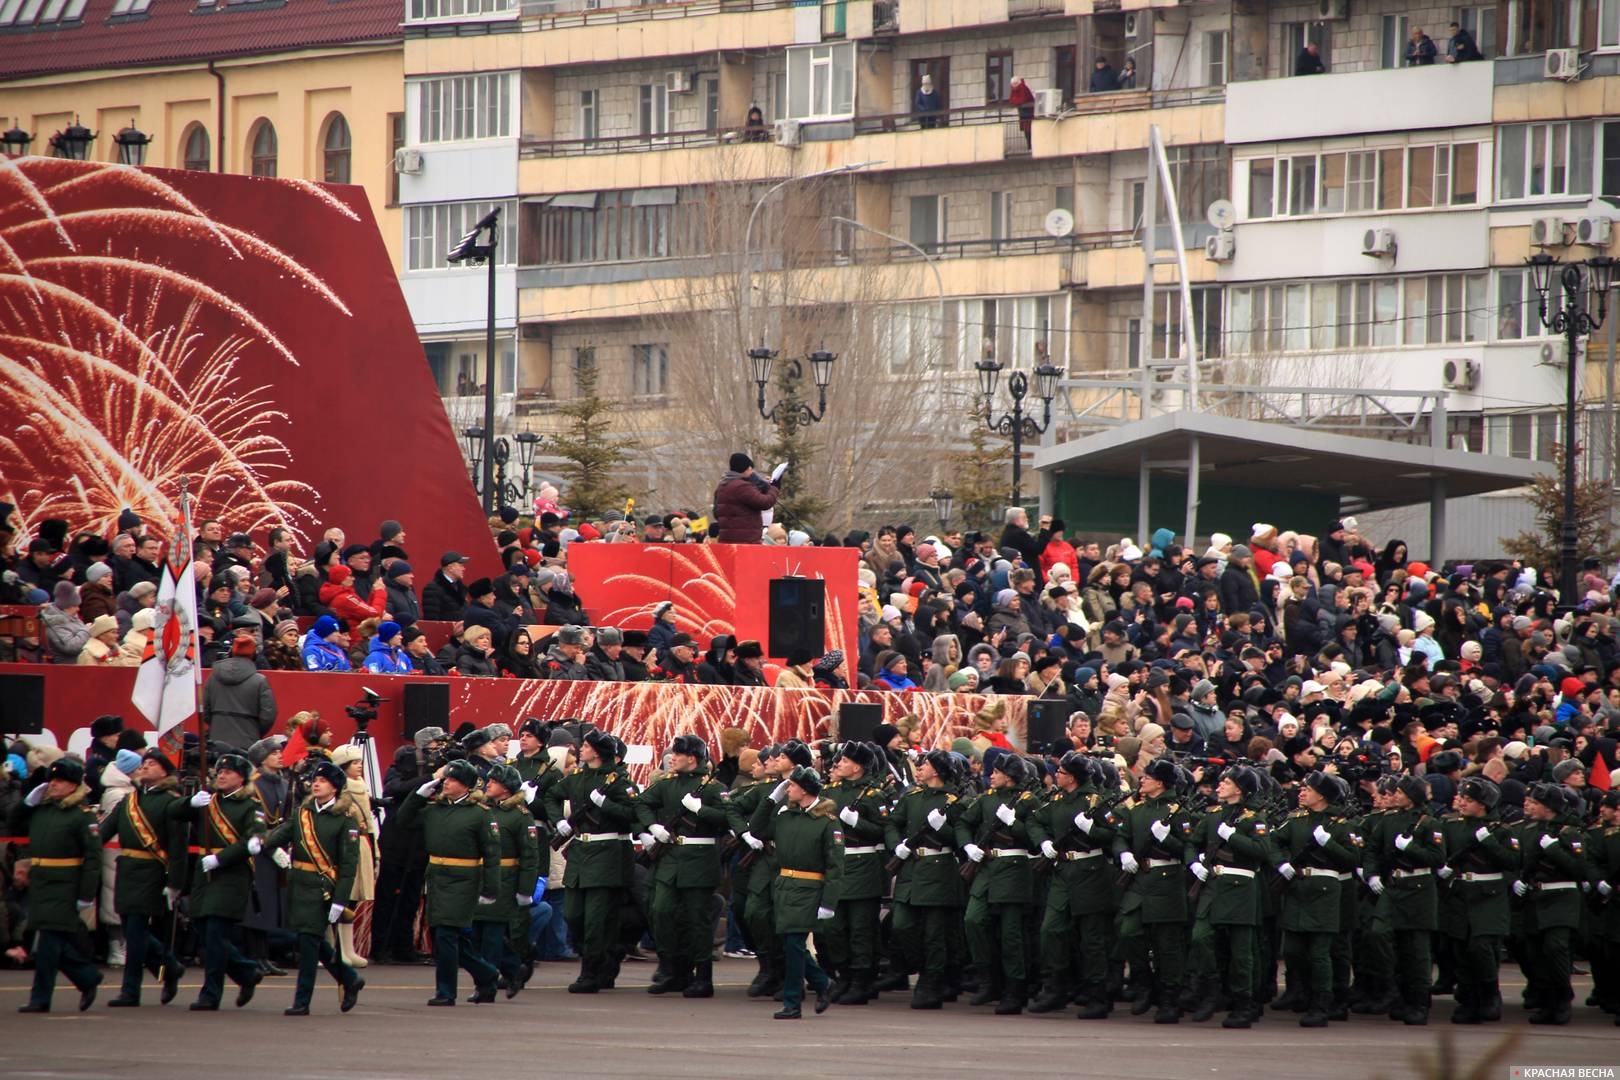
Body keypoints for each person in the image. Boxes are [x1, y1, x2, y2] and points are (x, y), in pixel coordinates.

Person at [261, 759, 366, 1015]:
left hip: (323, 889)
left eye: (323, 781)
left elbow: (348, 865)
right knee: (310, 941)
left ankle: (302, 1001)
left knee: (309, 946)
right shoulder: (301, 813)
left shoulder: (345, 820)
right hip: (298, 887)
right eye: (315, 780)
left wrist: (340, 901)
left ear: (336, 788)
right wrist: (273, 851)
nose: (316, 784)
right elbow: (275, 838)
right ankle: (349, 979)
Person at [394, 758, 501, 1006]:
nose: (446, 783)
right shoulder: (434, 810)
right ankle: (487, 974)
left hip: (464, 880)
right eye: (446, 779)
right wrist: (418, 795)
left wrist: (490, 888)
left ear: (466, 785)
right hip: (437, 878)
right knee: (448, 935)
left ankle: (446, 991)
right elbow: (404, 819)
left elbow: (492, 854)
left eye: (452, 779)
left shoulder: (480, 814)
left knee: (446, 935)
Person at [543, 729, 639, 994]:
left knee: (596, 919)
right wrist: (559, 821)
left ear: (596, 752)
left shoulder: (619, 782)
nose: (580, 750)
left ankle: (591, 971)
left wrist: (605, 803)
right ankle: (606, 958)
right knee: (573, 914)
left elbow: (633, 815)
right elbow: (551, 795)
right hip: (580, 853)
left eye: (584, 746)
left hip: (607, 855)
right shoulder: (577, 778)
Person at [635, 733, 730, 997]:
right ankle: (672, 970)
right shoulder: (667, 784)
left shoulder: (713, 787)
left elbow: (727, 819)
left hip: (699, 860)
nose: (672, 758)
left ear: (693, 759)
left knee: (696, 921)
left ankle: (702, 976)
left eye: (677, 754)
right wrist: (652, 826)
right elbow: (642, 803)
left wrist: (701, 810)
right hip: (669, 859)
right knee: (661, 911)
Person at [1027, 753, 1119, 1017]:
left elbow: (1114, 835)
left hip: (1091, 872)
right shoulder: (1057, 799)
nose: (1057, 775)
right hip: (1062, 871)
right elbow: (1035, 820)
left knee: (1092, 939)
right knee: (1051, 931)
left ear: (1074, 777)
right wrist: (1043, 842)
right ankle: (1055, 988)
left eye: (1062, 772)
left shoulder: (1097, 801)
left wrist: (1092, 830)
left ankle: (1097, 995)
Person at [100, 749, 188, 1008]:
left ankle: (131, 990)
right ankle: (170, 967)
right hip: (127, 869)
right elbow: (105, 830)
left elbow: (178, 848)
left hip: (152, 872)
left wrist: (175, 883)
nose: (145, 767)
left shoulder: (170, 802)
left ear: (164, 771)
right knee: (130, 928)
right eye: (144, 763)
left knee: (136, 932)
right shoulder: (129, 801)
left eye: (152, 764)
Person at [13, 758, 102, 1014]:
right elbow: (15, 823)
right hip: (40, 883)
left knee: (48, 945)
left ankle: (40, 998)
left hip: (65, 884)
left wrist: (86, 894)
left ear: (74, 786)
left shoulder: (82, 816)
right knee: (47, 943)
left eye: (60, 781)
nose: (53, 785)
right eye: (51, 780)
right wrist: (28, 802)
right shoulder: (43, 810)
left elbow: (93, 858)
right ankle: (87, 977)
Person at [753, 764, 842, 1019]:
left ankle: (792, 1002)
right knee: (791, 943)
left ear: (804, 790)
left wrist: (828, 902)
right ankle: (823, 982)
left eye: (791, 786)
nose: (787, 789)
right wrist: (771, 799)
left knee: (793, 943)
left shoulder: (827, 823)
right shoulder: (786, 816)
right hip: (784, 887)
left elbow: (835, 866)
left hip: (809, 888)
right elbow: (757, 829)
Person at [183, 754, 266, 1010]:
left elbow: (251, 839)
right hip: (203, 875)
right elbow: (175, 815)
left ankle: (210, 994)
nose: (221, 775)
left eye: (228, 772)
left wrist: (220, 859)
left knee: (216, 934)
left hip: (230, 875)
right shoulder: (208, 801)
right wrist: (190, 803)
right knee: (204, 932)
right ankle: (246, 972)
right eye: (219, 771)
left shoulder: (250, 807)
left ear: (241, 778)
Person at [955, 752, 1037, 1014]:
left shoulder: (1027, 801)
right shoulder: (987, 799)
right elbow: (964, 823)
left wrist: (1013, 822)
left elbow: (1034, 837)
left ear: (1010, 777)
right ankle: (989, 978)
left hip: (1013, 870)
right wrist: (967, 846)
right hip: (987, 868)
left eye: (997, 772)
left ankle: (1015, 989)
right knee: (973, 920)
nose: (991, 776)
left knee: (1010, 934)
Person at [884, 749, 965, 1009]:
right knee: (901, 925)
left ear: (938, 771)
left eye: (925, 764)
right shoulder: (913, 797)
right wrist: (897, 845)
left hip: (938, 868)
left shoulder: (955, 800)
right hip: (910, 867)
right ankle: (925, 970)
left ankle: (932, 981)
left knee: (934, 934)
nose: (920, 768)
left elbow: (962, 840)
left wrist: (944, 828)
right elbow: (892, 824)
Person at [1363, 774, 1444, 1024]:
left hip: (1419, 888)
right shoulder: (1388, 821)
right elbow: (1372, 851)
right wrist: (1372, 874)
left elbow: (1437, 858)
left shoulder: (1429, 823)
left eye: (1399, 792)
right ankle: (1396, 990)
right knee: (1379, 934)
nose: (1394, 795)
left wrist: (1411, 848)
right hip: (1393, 885)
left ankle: (1418, 1002)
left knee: (1416, 950)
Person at [1116, 757, 1191, 1023]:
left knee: (1167, 945)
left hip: (1167, 879)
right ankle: (1144, 983)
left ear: (1160, 782)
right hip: (1140, 878)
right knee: (1128, 932)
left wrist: (1166, 839)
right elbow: (1121, 837)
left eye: (1147, 777)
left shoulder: (1179, 811)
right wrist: (1123, 854)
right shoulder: (1137, 810)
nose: (1142, 780)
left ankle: (1169, 997)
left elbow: (1188, 849)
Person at [473, 763, 542, 999]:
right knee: (478, 934)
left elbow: (530, 856)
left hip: (505, 880)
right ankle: (514, 969)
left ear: (507, 789)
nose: (488, 784)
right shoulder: (483, 810)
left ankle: (486, 986)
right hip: (482, 878)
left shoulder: (520, 816)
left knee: (492, 936)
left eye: (494, 781)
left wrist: (525, 890)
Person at [202, 635, 277, 752]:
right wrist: (254, 730)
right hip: (248, 743)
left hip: (216, 742)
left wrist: (218, 724)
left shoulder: (213, 677)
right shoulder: (260, 680)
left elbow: (205, 710)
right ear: (254, 655)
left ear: (231, 652)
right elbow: (268, 715)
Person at [713, 453, 779, 544]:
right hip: (746, 541)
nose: (752, 473)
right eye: (751, 469)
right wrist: (775, 487)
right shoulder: (742, 486)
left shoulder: (722, 486)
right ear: (746, 468)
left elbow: (717, 513)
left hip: (726, 540)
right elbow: (765, 502)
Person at [421, 551, 470, 620]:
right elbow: (432, 619)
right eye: (460, 565)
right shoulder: (433, 589)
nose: (463, 569)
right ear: (450, 568)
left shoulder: (460, 588)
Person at [1008, 76, 1035, 147]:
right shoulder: (1016, 88)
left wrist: (1016, 101)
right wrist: (1016, 101)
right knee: (1027, 131)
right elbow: (1011, 100)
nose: (1013, 87)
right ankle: (1029, 146)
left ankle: (1030, 146)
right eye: (1012, 85)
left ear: (1017, 83)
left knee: (1029, 131)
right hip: (1023, 113)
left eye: (1014, 84)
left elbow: (1022, 100)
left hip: (1029, 113)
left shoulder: (1022, 87)